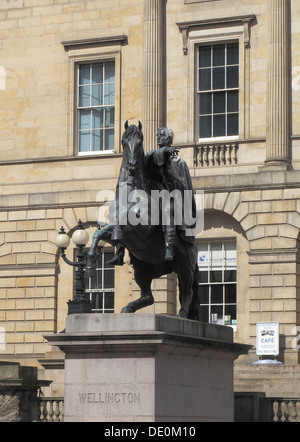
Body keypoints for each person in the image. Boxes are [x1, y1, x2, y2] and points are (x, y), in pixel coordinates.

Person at [108, 127, 196, 265]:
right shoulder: (150, 155)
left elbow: (184, 183)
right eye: (158, 135)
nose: (159, 137)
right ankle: (120, 250)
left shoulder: (178, 161)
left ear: (169, 139)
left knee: (166, 209)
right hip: (152, 190)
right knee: (125, 210)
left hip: (170, 193)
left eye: (162, 135)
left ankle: (169, 246)